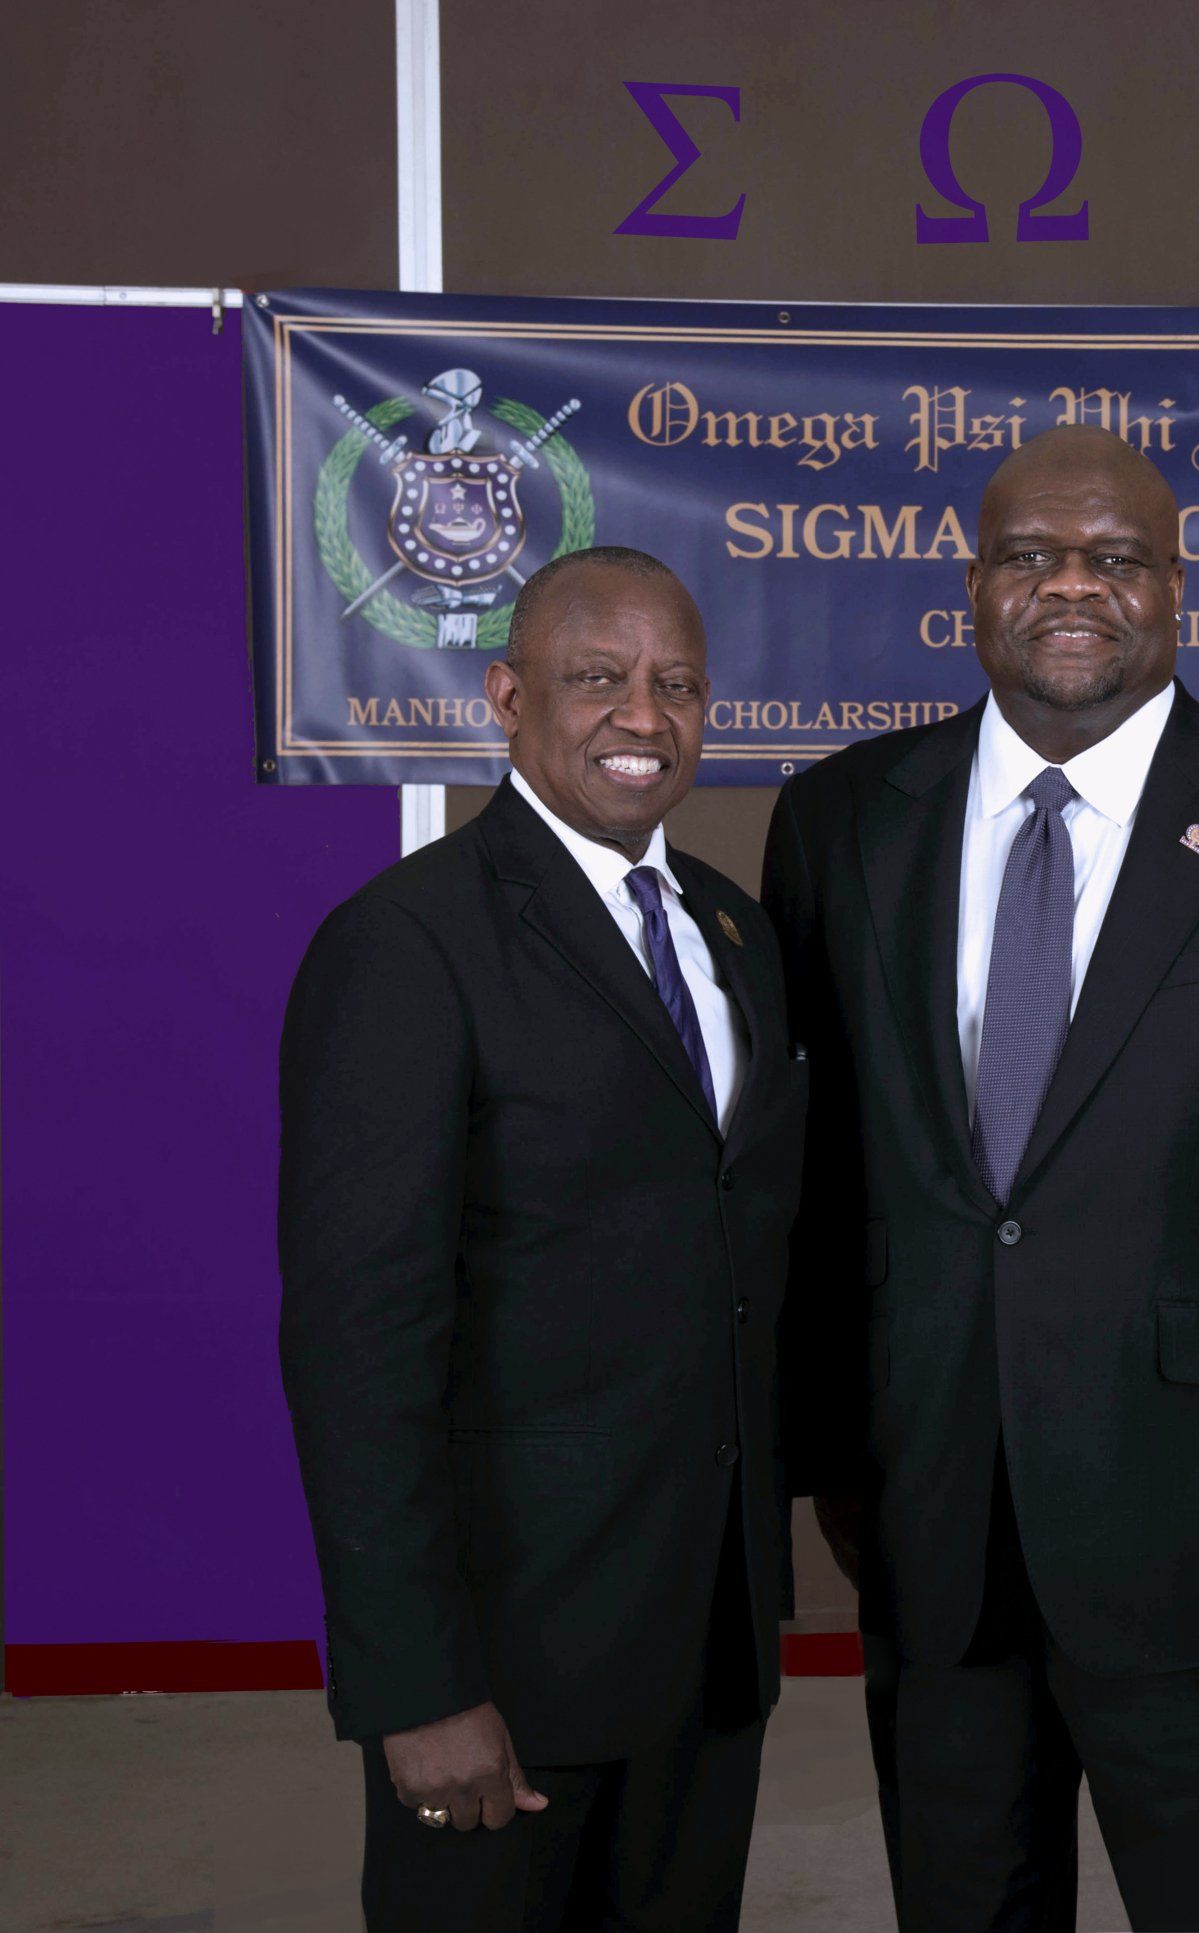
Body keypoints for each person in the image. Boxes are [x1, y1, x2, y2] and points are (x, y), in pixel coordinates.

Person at [762, 427, 1199, 1932]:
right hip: (927, 1507)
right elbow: (815, 1177)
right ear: (973, 588)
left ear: (1176, 590)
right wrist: (825, 1445)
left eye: (1116, 558)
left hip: (1197, 1513)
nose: (1072, 586)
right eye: (1030, 556)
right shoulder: (838, 821)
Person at [279, 546, 807, 1932]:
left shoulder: (737, 935)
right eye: (598, 679)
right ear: (508, 695)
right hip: (506, 1670)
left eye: (677, 684)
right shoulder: (407, 945)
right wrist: (417, 1684)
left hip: (705, 1647)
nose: (644, 715)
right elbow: (357, 1342)